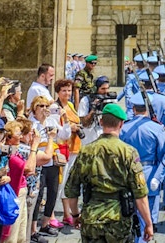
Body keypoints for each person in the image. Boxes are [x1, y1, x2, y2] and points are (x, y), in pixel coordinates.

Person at [65, 103, 154, 242]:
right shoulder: (129, 152)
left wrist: (75, 215)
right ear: (121, 124)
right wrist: (148, 223)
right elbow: (140, 193)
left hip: (91, 219)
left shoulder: (86, 151)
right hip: (119, 221)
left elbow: (71, 189)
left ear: (101, 122)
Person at [120, 91, 165, 231]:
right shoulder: (157, 128)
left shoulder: (124, 128)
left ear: (133, 108)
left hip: (127, 176)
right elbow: (163, 156)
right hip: (149, 174)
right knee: (147, 218)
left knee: (128, 214)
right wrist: (158, 177)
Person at [28, 96, 70, 237]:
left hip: (52, 160)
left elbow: (64, 135)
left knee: (53, 193)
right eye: (41, 106)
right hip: (39, 160)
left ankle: (45, 224)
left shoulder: (51, 120)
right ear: (35, 108)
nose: (45, 109)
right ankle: (33, 228)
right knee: (38, 196)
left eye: (46, 106)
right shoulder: (32, 123)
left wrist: (66, 119)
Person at [53, 78, 81, 226]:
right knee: (62, 182)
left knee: (70, 182)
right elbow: (56, 127)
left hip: (75, 147)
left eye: (69, 90)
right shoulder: (55, 107)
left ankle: (67, 212)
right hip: (63, 148)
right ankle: (59, 213)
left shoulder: (70, 105)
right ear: (58, 92)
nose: (67, 93)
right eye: (64, 90)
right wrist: (72, 128)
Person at [78, 75, 112, 145]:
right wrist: (93, 109)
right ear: (96, 89)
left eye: (107, 88)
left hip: (103, 142)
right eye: (103, 89)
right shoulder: (86, 101)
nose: (106, 91)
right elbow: (84, 123)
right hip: (89, 141)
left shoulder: (109, 99)